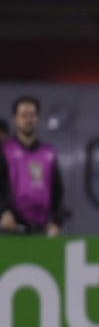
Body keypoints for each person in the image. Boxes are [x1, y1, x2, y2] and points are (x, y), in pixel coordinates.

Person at [0, 96, 64, 236]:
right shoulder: (5, 150)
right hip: (12, 228)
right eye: (23, 115)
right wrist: (3, 212)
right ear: (15, 119)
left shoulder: (49, 153)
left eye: (32, 115)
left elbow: (57, 192)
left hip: (42, 229)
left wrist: (56, 221)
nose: (28, 120)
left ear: (37, 118)